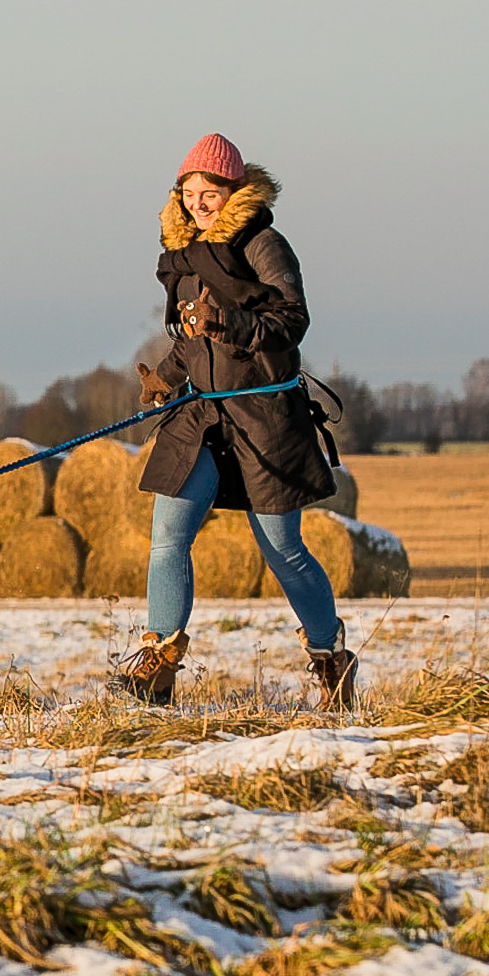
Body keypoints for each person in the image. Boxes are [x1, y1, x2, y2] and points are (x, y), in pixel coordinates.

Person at [110, 133, 358, 710]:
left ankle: (331, 661)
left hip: (265, 417)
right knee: (167, 537)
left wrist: (232, 323)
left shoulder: (264, 244)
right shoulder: (186, 255)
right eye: (191, 190)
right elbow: (195, 341)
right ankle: (157, 666)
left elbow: (291, 320)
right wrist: (167, 377)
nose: (200, 200)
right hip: (201, 417)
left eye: (212, 189)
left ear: (234, 189)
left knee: (283, 550)